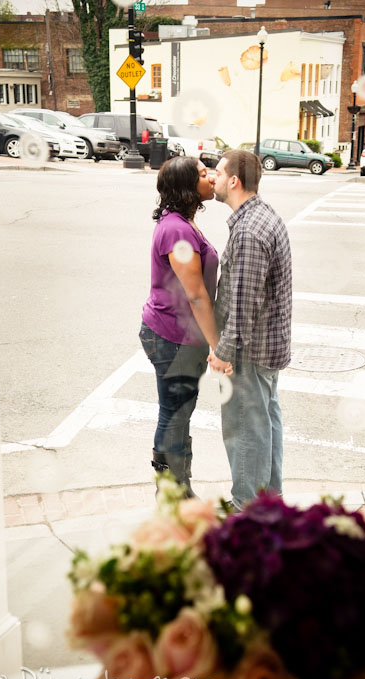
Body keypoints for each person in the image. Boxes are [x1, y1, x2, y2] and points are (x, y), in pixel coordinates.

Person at [208, 150, 292, 510]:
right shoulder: (263, 216)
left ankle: (247, 510)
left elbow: (242, 309)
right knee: (265, 425)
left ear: (234, 181)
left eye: (217, 170)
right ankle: (270, 504)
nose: (212, 176)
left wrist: (222, 353)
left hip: (251, 351)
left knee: (246, 429)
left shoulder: (249, 232)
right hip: (268, 348)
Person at [140, 156, 228, 498]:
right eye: (204, 174)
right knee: (174, 416)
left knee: (179, 413)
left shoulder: (181, 222)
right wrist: (217, 345)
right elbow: (195, 294)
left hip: (179, 337)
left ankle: (178, 487)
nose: (211, 178)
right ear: (187, 187)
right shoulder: (176, 229)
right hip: (172, 337)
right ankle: (170, 490)